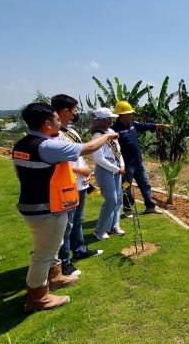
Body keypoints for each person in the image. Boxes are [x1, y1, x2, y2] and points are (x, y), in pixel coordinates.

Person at [13, 103, 118, 312]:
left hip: (33, 204)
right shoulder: (46, 146)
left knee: (52, 246)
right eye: (57, 120)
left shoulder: (23, 144)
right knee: (42, 254)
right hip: (47, 208)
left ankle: (56, 275)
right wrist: (107, 137)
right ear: (46, 123)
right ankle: (38, 297)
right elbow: (88, 148)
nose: (60, 123)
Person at [51, 94, 103, 278]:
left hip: (80, 185)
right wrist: (79, 171)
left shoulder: (71, 132)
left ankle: (79, 249)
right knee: (66, 225)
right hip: (67, 185)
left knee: (78, 220)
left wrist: (84, 172)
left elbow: (77, 156)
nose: (77, 113)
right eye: (75, 110)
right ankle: (64, 262)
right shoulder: (55, 135)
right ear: (65, 111)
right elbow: (56, 163)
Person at [111, 101, 172, 216]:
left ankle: (150, 207)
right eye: (130, 113)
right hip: (125, 165)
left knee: (145, 184)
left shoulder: (133, 124)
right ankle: (128, 209)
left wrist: (160, 126)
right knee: (126, 187)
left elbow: (146, 125)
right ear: (122, 114)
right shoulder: (114, 129)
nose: (132, 115)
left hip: (138, 162)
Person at [91, 108, 126, 240]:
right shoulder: (97, 136)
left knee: (118, 199)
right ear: (102, 120)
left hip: (117, 168)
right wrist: (116, 169)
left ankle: (114, 225)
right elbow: (99, 159)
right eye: (109, 118)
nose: (112, 120)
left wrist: (121, 164)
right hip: (105, 170)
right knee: (111, 200)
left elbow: (118, 151)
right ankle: (100, 230)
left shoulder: (110, 132)